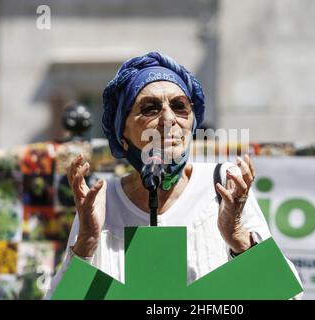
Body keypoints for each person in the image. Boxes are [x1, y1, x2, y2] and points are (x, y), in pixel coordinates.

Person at [44, 51, 302, 299]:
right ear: (122, 134)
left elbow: (289, 296)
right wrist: (87, 242)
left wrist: (238, 237)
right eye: (150, 108)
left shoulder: (222, 187)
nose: (168, 119)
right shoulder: (103, 203)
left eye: (180, 107)